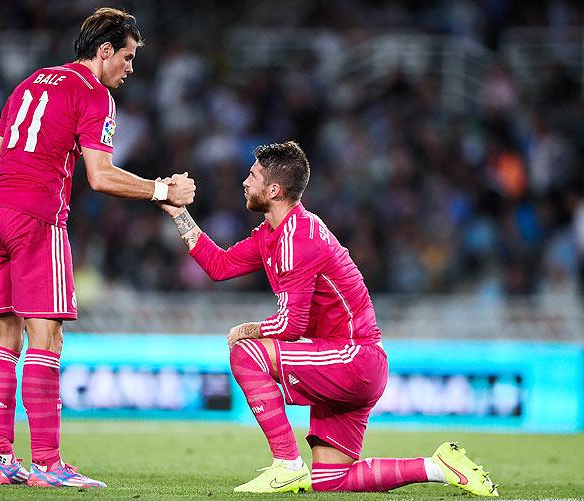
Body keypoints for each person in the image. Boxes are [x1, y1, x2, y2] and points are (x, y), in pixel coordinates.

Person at [158, 141, 498, 496]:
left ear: (274, 190)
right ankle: (439, 468)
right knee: (331, 481)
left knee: (246, 353)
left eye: (252, 175)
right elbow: (220, 265)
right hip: (352, 360)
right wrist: (179, 214)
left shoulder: (298, 237)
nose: (245, 182)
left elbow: (291, 327)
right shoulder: (274, 234)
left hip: (352, 358)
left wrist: (251, 330)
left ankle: (287, 465)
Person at [0, 7, 195, 488]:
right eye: (129, 57)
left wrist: (10, 199)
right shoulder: (93, 94)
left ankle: (0, 460)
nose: (131, 69)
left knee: (4, 339)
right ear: (105, 51)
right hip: (35, 219)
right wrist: (162, 190)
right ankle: (48, 466)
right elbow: (100, 175)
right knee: (46, 339)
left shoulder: (31, 82)